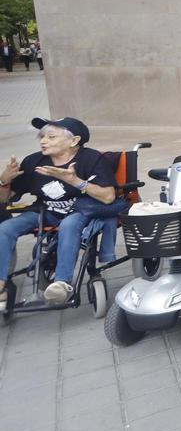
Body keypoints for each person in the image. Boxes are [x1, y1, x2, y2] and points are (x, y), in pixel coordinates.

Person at [0, 117, 117, 304]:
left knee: (69, 224)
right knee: (5, 228)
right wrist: (4, 181)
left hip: (81, 212)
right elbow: (4, 200)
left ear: (74, 141)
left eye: (51, 137)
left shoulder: (90, 159)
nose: (43, 141)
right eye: (42, 136)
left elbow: (108, 196)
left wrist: (74, 181)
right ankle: (1, 286)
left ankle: (62, 284)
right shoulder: (33, 161)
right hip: (45, 212)